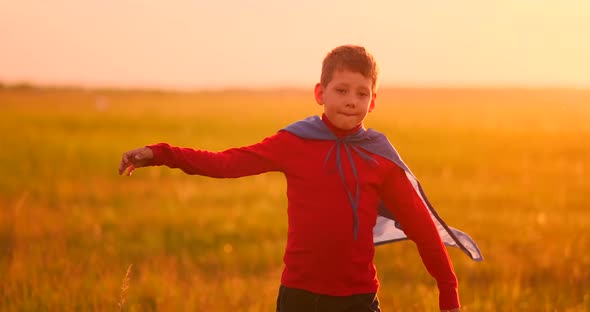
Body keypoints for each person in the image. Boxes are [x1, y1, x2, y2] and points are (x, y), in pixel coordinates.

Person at [119, 45, 481, 312]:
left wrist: (448, 294)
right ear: (320, 94)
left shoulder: (380, 157)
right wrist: (161, 154)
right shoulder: (295, 142)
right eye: (341, 90)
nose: (351, 101)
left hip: (357, 300)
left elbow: (422, 228)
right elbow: (226, 163)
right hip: (298, 297)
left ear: (373, 102)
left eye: (362, 93)